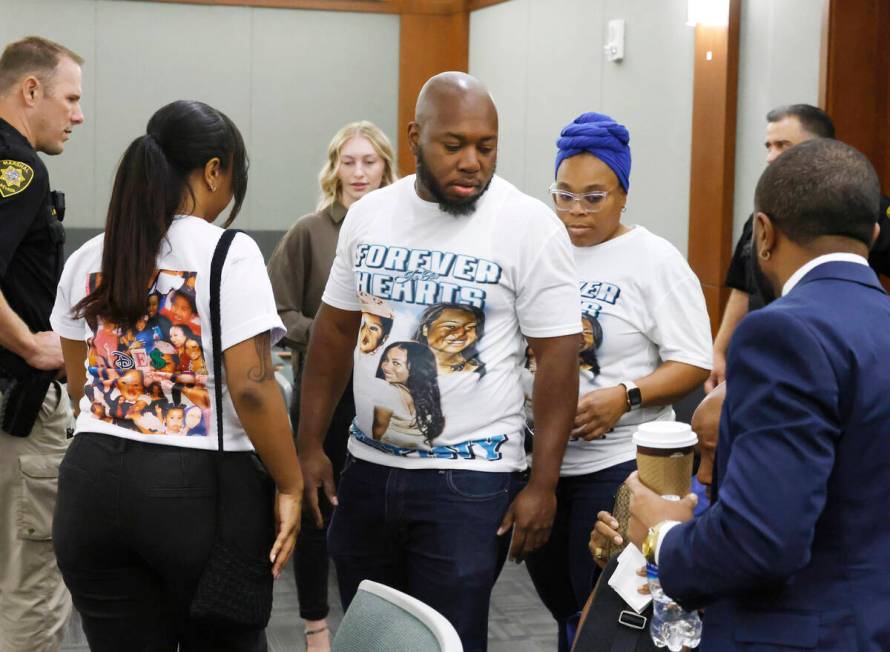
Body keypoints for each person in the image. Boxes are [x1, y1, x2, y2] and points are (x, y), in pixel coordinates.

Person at [297, 72, 581, 652]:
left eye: (486, 146)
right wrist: (308, 445)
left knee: (449, 638)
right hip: (368, 466)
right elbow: (333, 333)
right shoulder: (370, 215)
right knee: (374, 637)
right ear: (414, 138)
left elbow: (558, 359)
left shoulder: (528, 226)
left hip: (470, 480)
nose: (472, 161)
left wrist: (544, 483)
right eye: (453, 146)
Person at [592, 138, 890, 650]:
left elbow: (762, 540)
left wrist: (660, 534)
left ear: (763, 233)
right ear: (874, 233)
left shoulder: (783, 334)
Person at [49, 100, 303, 650]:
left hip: (88, 489)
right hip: (194, 495)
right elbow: (253, 388)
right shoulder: (229, 254)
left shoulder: (87, 258)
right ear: (215, 170)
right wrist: (290, 482)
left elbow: (79, 387)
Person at [522, 112, 712, 651]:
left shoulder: (653, 259)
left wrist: (625, 397)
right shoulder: (539, 251)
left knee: (608, 607)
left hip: (619, 467)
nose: (576, 211)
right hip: (543, 463)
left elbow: (694, 360)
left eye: (593, 197)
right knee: (561, 600)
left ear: (623, 194)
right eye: (564, 195)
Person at [267, 120, 396, 650]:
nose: (360, 171)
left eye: (370, 161)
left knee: (376, 519)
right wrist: (328, 336)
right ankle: (316, 627)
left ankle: (376, 628)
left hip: (387, 404)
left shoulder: (401, 230)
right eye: (350, 161)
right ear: (334, 167)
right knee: (318, 514)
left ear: (386, 166)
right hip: (324, 401)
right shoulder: (309, 232)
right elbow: (277, 312)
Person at [707, 104, 890, 390]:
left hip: (838, 358)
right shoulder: (763, 214)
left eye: (783, 145)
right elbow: (743, 285)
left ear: (820, 149)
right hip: (765, 349)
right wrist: (719, 351)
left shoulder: (862, 207)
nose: (771, 157)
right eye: (768, 146)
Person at [0, 36, 84, 652]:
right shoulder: (19, 167)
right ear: (31, 91)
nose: (77, 115)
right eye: (71, 98)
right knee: (32, 587)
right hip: (19, 411)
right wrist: (30, 344)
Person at [371, 340, 445, 445]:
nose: (386, 367)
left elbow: (377, 431)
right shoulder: (429, 395)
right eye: (385, 360)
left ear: (415, 368)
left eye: (396, 363)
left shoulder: (387, 391)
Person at [414, 302, 486, 376]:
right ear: (425, 329)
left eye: (470, 327)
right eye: (450, 326)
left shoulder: (476, 371)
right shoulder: (407, 364)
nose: (461, 333)